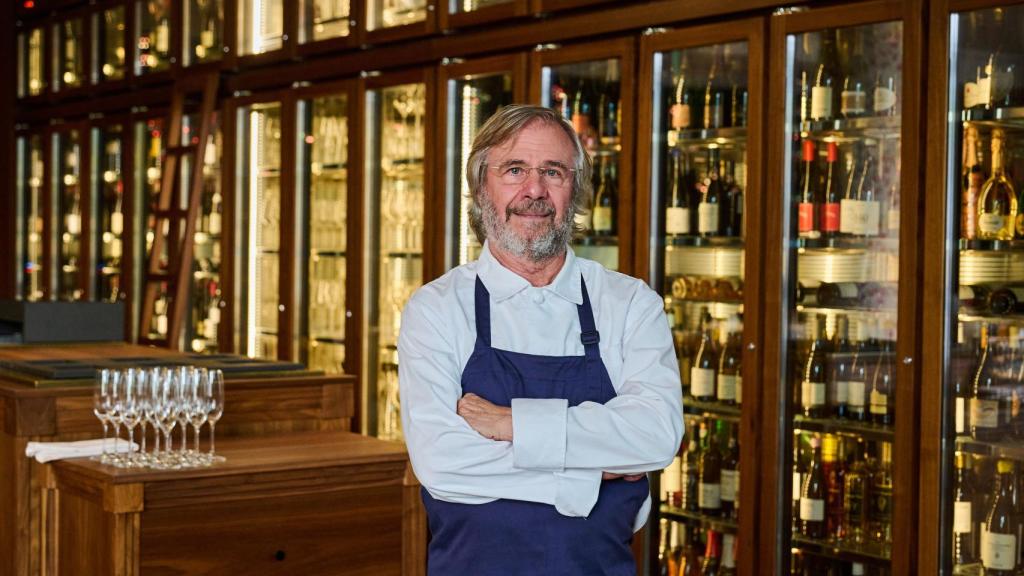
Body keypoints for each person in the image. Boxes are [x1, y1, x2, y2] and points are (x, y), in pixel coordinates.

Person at [398, 104, 684, 575]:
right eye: (514, 170)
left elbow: (656, 437)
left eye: (553, 172)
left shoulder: (630, 303)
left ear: (575, 190)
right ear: (480, 186)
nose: (535, 191)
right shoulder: (437, 308)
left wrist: (513, 425)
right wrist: (591, 473)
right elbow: (442, 461)